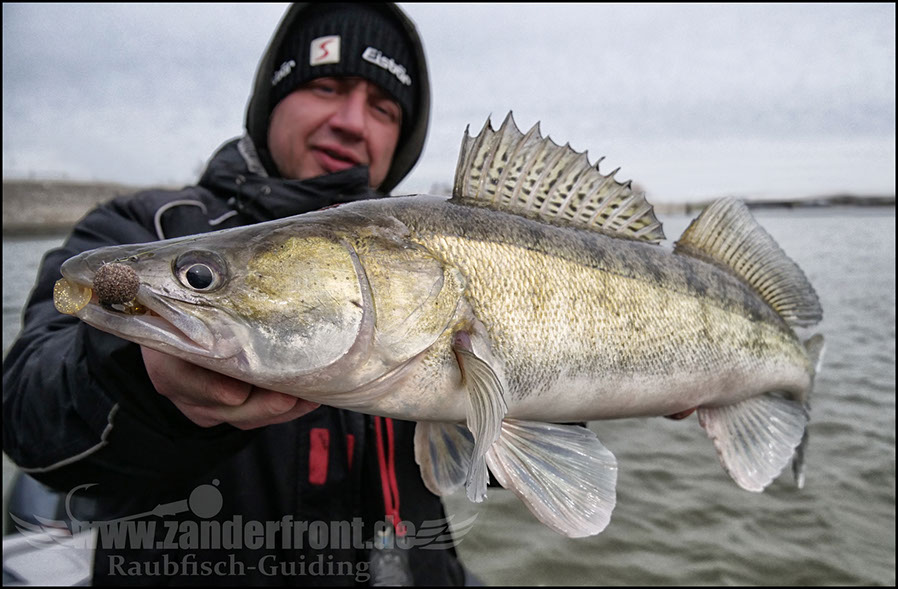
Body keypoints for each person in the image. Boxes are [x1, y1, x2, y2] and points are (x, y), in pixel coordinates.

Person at [3, 3, 471, 585]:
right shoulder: (147, 225)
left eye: (383, 107)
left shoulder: (444, 254)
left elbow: (486, 465)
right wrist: (140, 380)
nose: (353, 121)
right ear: (269, 101)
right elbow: (27, 413)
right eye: (325, 86)